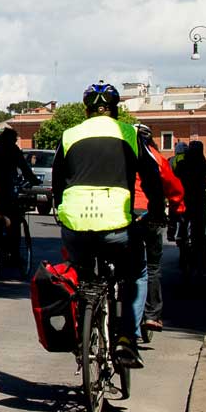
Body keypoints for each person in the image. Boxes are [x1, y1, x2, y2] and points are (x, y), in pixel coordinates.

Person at [52, 82, 161, 368]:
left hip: (75, 222)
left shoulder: (69, 135)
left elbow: (57, 182)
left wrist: (60, 210)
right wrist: (157, 212)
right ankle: (127, 337)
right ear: (116, 109)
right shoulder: (130, 134)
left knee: (81, 277)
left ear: (86, 109)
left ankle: (82, 330)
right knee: (136, 273)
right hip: (117, 223)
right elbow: (152, 177)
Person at [133, 125, 183, 339]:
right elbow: (174, 188)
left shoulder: (119, 153)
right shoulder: (155, 157)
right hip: (147, 214)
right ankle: (151, 314)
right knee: (151, 266)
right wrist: (177, 210)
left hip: (119, 213)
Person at [0, 127, 40, 279]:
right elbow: (24, 168)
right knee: (14, 221)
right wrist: (34, 180)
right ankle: (13, 255)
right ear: (12, 139)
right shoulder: (12, 149)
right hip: (6, 190)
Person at [174, 140, 206, 278]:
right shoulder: (204, 164)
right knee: (201, 235)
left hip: (184, 201)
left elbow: (173, 183)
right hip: (198, 202)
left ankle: (183, 257)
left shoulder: (181, 164)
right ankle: (204, 266)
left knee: (183, 230)